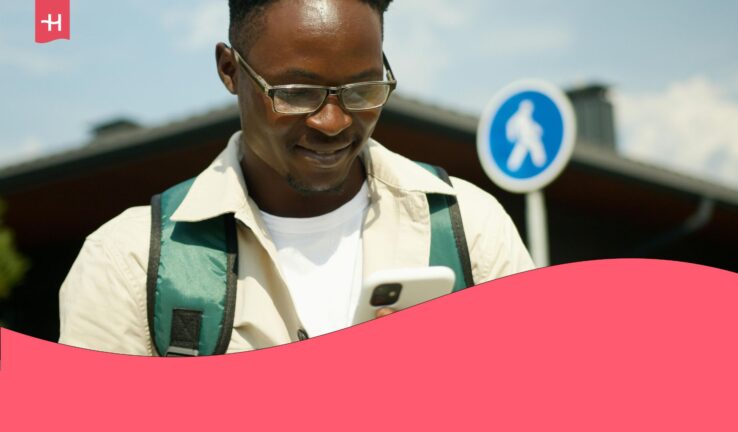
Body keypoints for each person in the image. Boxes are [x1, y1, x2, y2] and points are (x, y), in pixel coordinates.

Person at [58, 0, 534, 355]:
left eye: (363, 89)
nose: (334, 122)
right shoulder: (132, 263)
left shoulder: (469, 230)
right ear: (229, 69)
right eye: (296, 93)